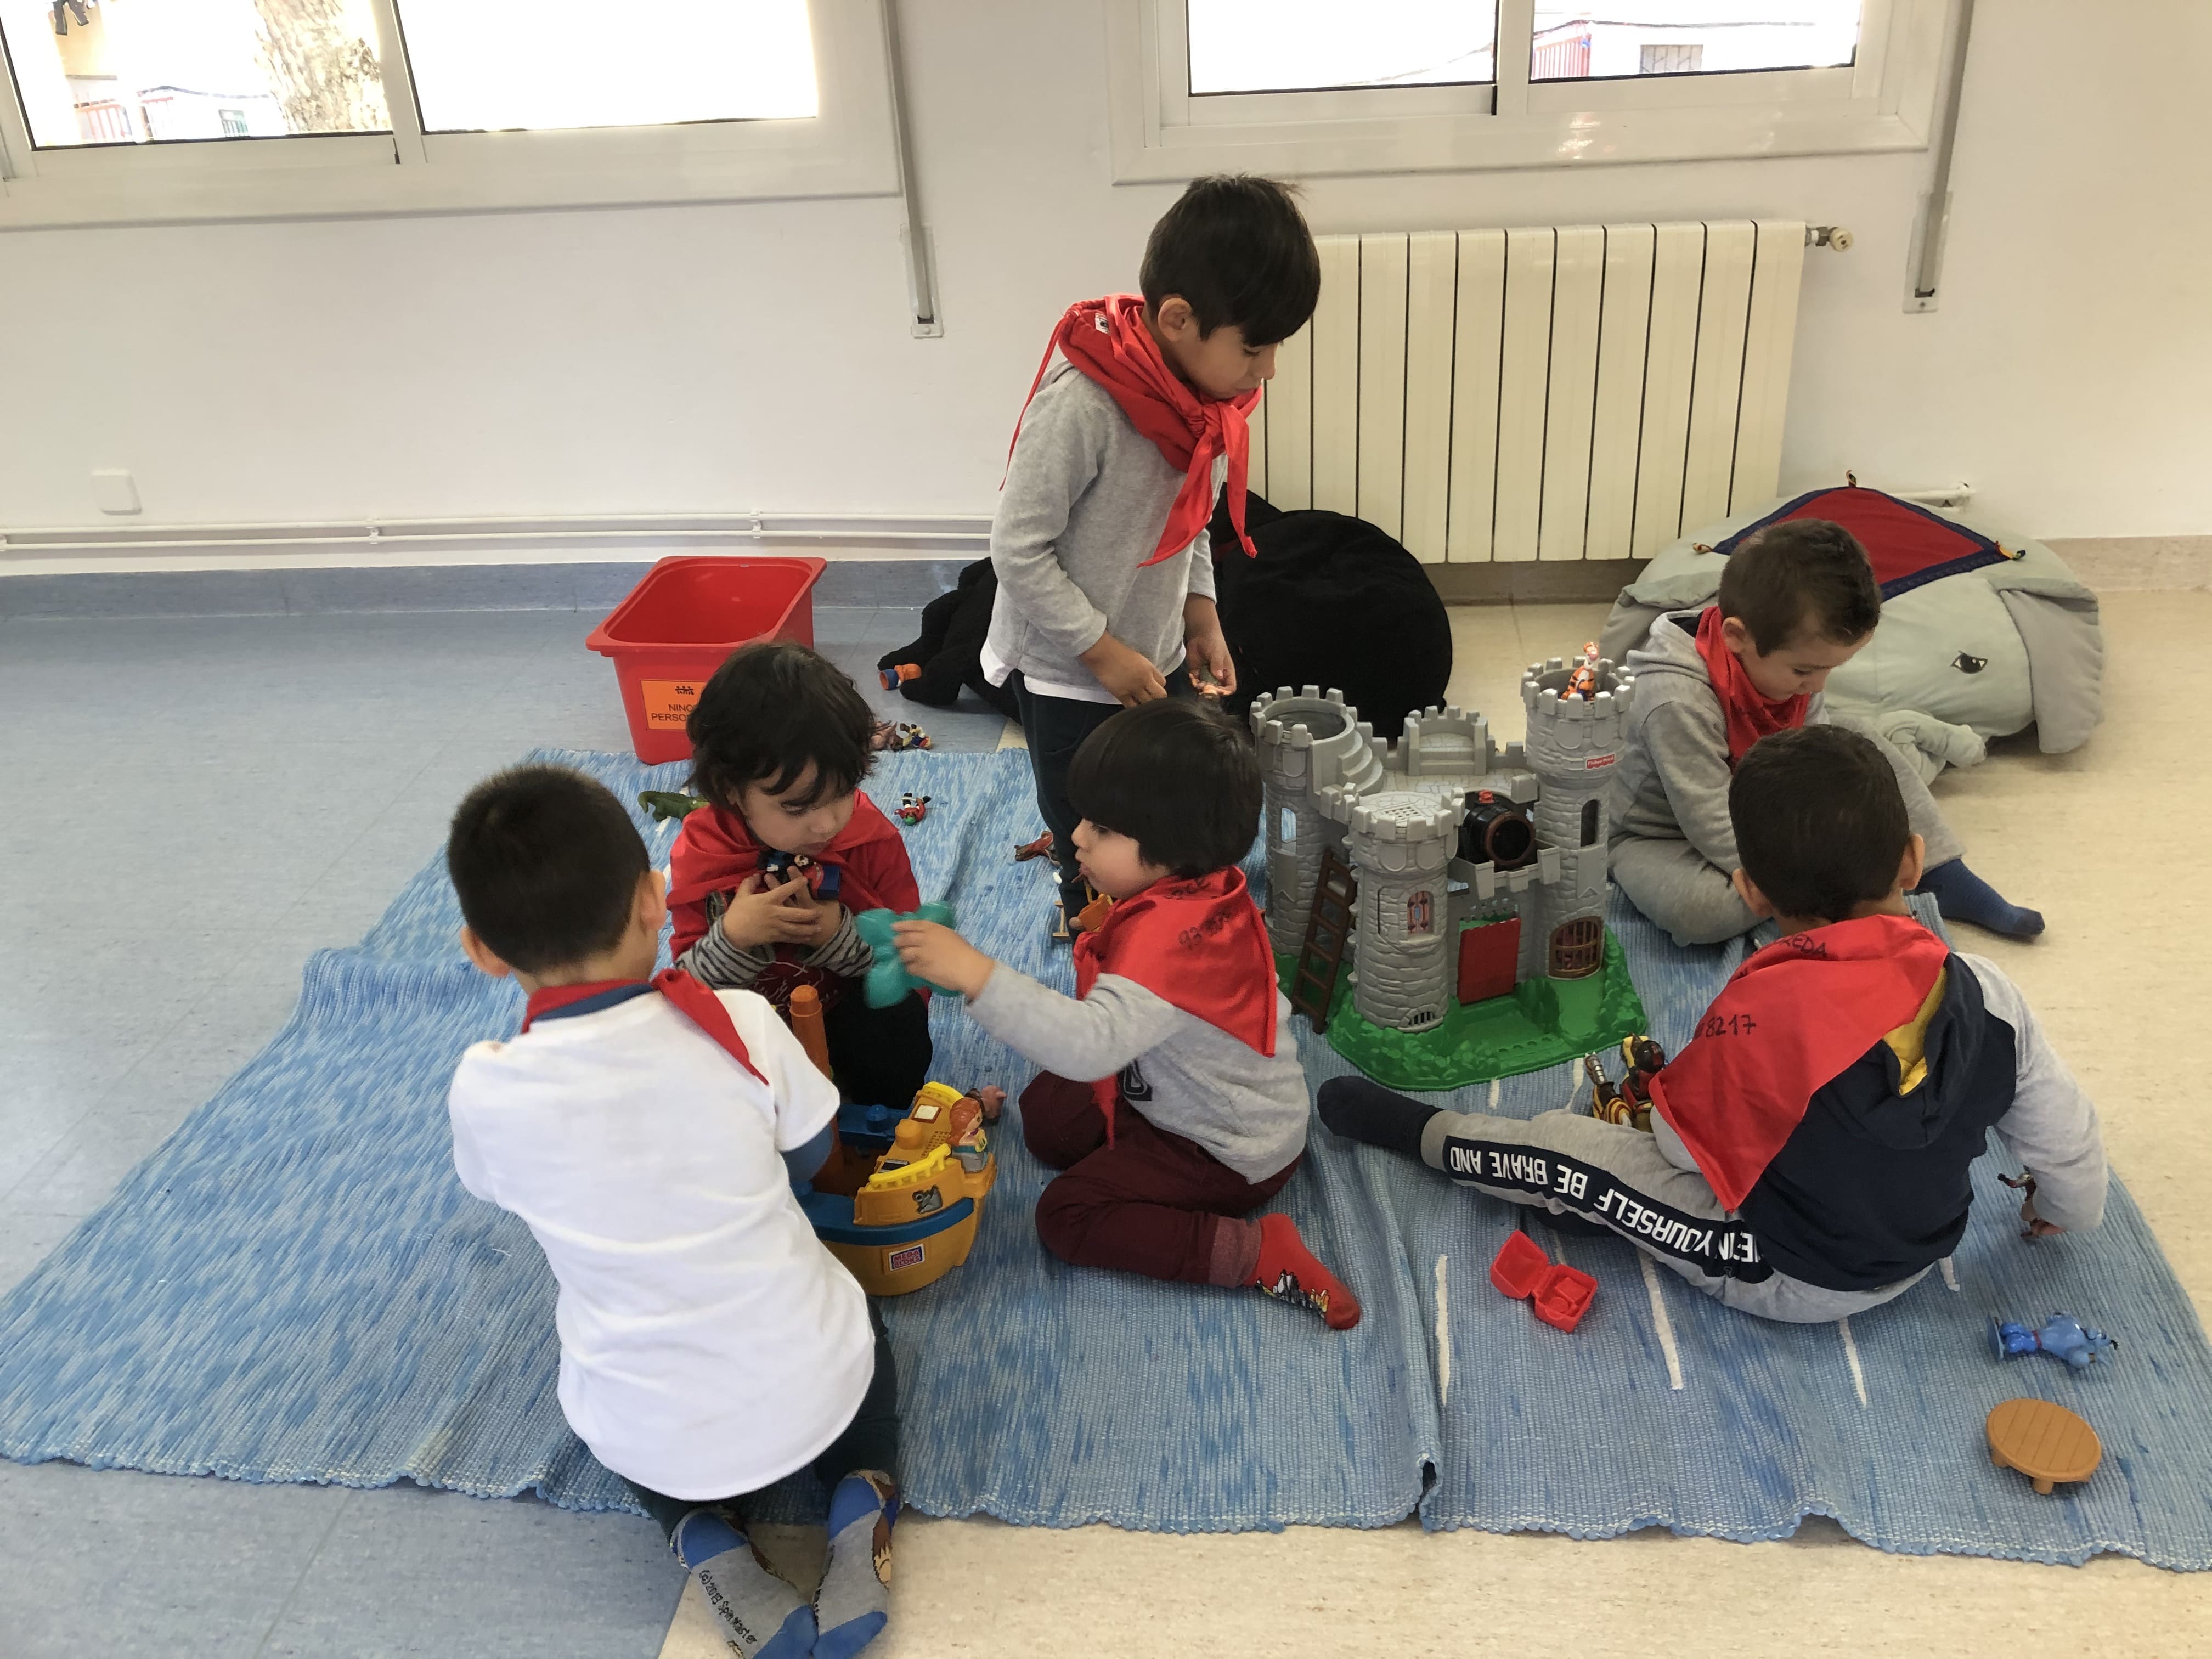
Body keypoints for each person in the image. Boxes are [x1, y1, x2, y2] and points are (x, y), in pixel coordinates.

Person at [1318, 725, 2106, 1325]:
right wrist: (2062, 1209)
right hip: (1927, 1244)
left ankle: (1427, 1134)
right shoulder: (1991, 991)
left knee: (1570, 1151)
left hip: (1792, 1273)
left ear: (1751, 892)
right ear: (1912, 861)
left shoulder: (1761, 1019)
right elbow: (2066, 1137)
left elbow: (1675, 1146)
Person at [444, 765, 898, 1658]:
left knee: (607, 1397)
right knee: (862, 1323)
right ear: (655, 900)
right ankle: (862, 1497)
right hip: (811, 1383)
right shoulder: (741, 1023)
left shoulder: (484, 1086)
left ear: (483, 951)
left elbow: (497, 1187)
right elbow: (816, 1158)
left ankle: (702, 1536)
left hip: (655, 1429)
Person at [891, 699, 1361, 1330]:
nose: (1077, 836)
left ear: (1172, 849)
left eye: (1103, 829)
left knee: (1065, 1216)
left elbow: (1090, 1046)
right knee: (1047, 1120)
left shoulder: (1166, 955)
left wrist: (975, 974)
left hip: (1227, 1151)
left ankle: (1255, 1253)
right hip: (1176, 1087)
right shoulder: (1201, 886)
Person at [982, 173, 1321, 933]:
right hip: (1070, 671)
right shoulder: (1082, 406)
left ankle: (1160, 927)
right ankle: (1095, 941)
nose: (1268, 370)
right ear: (1177, 319)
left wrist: (1201, 613)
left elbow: (1191, 518)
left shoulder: (1206, 405)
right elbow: (1016, 549)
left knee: (1161, 811)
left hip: (1150, 654)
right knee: (1086, 825)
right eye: (1255, 348)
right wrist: (1103, 654)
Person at [1607, 517, 2045, 946]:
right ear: (1736, 637)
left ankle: (1944, 873)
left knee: (1858, 744)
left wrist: (1832, 834)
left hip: (1764, 807)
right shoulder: (1675, 699)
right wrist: (1824, 873)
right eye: (1804, 671)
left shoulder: (1789, 668)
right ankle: (1836, 895)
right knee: (1701, 912)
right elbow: (1710, 822)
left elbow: (1813, 769)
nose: (1817, 686)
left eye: (1829, 670)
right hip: (1662, 834)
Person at [669, 640, 931, 1111]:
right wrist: (735, 939)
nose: (826, 824)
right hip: (755, 1037)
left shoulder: (869, 837)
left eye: (843, 793)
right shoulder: (707, 851)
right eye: (797, 807)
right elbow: (687, 993)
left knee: (899, 1026)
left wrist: (838, 937)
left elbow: (913, 965)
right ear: (732, 790)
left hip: (845, 1024)